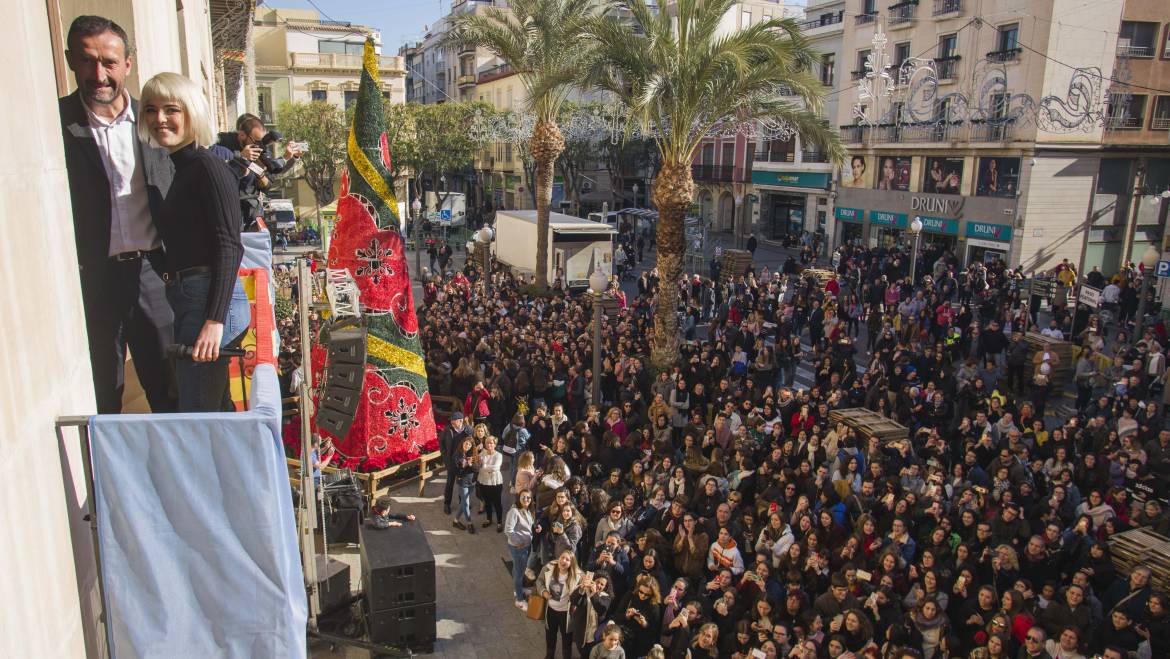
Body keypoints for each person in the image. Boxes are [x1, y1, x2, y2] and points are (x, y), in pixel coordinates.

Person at [59, 15, 176, 413]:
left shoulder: (155, 124)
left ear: (127, 63)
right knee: (102, 395)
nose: (99, 74)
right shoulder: (57, 123)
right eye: (87, 60)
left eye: (109, 62)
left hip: (151, 276)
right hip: (93, 281)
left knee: (168, 390)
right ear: (70, 60)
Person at [139, 72, 250, 411]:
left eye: (171, 109)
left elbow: (230, 246)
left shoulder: (207, 167)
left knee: (198, 416)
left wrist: (214, 321)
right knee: (213, 412)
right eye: (151, 110)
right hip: (195, 299)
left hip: (211, 302)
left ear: (191, 112)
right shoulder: (183, 169)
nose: (160, 119)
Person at [539, 549, 582, 659]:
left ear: (571, 563)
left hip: (566, 614)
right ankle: (549, 656)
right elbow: (539, 581)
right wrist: (544, 592)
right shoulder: (549, 567)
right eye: (562, 557)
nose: (563, 560)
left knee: (567, 638)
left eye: (567, 559)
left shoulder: (577, 575)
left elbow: (584, 589)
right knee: (550, 635)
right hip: (551, 611)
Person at [505, 489, 536, 608]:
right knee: (519, 572)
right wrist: (518, 542)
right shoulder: (514, 511)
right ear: (519, 498)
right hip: (518, 548)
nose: (526, 499)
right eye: (523, 497)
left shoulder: (528, 510)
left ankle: (518, 589)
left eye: (528, 497)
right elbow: (508, 530)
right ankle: (519, 599)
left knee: (519, 570)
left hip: (526, 546)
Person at [441, 412, 470, 514]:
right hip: (451, 462)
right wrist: (445, 458)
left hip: (463, 462)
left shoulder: (468, 430)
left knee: (462, 483)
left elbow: (472, 444)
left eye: (454, 421)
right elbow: (442, 443)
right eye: (452, 421)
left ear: (461, 421)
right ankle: (447, 504)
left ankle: (462, 502)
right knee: (449, 483)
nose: (452, 422)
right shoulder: (448, 430)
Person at [478, 435, 505, 532]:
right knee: (487, 502)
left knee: (497, 503)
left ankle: (499, 522)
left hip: (495, 483)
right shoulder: (482, 453)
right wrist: (487, 467)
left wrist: (484, 466)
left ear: (495, 444)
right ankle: (488, 519)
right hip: (483, 481)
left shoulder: (499, 455)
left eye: (491, 443)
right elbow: (478, 464)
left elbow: (496, 468)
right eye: (487, 443)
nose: (489, 444)